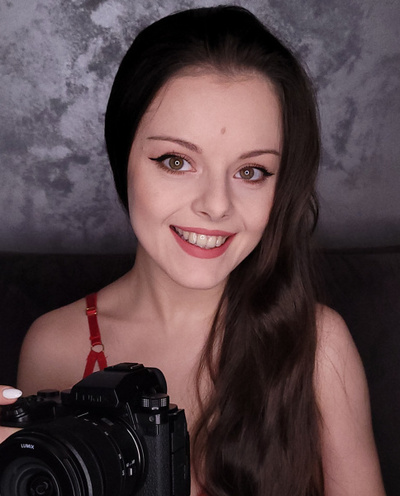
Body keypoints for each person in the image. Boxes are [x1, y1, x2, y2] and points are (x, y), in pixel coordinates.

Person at [0, 5, 386, 495]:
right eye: (176, 161)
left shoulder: (319, 345)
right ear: (123, 157)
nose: (216, 205)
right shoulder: (54, 344)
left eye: (251, 171)